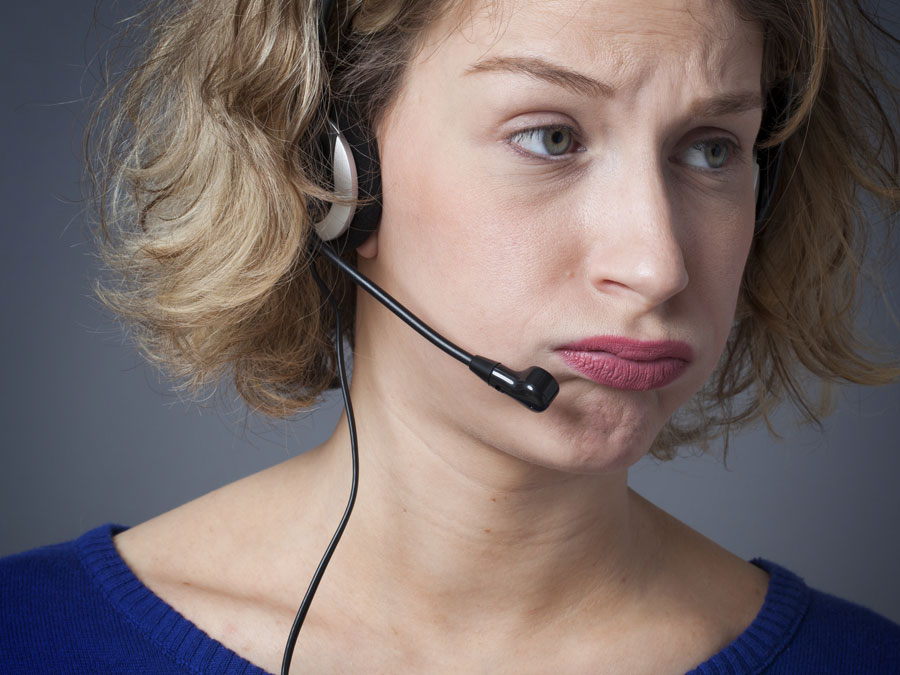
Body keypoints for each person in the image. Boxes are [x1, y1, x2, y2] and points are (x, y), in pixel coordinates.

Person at [3, 0, 900, 672]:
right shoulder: (30, 636)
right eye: (550, 135)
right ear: (336, 171)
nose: (659, 264)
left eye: (711, 148)